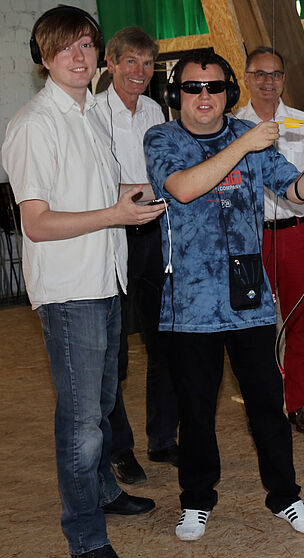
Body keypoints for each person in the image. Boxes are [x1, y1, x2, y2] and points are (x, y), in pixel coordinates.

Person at [143, 49, 304, 541]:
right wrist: (245, 144)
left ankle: (286, 496)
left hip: (247, 296)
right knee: (195, 410)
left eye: (214, 87)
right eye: (193, 88)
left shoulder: (248, 139)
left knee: (266, 405)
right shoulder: (162, 139)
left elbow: (293, 191)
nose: (204, 97)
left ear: (226, 92)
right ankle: (196, 500)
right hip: (189, 302)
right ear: (176, 95)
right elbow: (185, 188)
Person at [2, 7, 159, 557]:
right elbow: (38, 224)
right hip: (70, 291)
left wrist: (163, 193)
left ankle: (105, 489)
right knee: (81, 421)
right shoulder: (33, 125)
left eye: (86, 46)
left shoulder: (90, 113)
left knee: (101, 399)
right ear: (44, 59)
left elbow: (104, 190)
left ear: (98, 56)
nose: (78, 56)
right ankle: (85, 537)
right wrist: (116, 216)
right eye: (64, 48)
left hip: (106, 277)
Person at [90, 26, 179, 486]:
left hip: (154, 234)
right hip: (112, 234)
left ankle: (163, 440)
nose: (139, 72)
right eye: (130, 62)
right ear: (111, 63)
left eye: (147, 64)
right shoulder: (92, 113)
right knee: (114, 352)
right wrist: (147, 190)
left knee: (163, 341)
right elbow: (98, 188)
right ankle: (119, 449)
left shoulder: (155, 111)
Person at [233, 46, 304, 434]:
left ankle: (300, 403)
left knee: (298, 321)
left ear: (284, 80)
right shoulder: (233, 127)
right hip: (251, 239)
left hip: (298, 235)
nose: (268, 82)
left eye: (275, 75)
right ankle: (264, 404)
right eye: (260, 74)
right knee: (254, 326)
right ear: (246, 78)